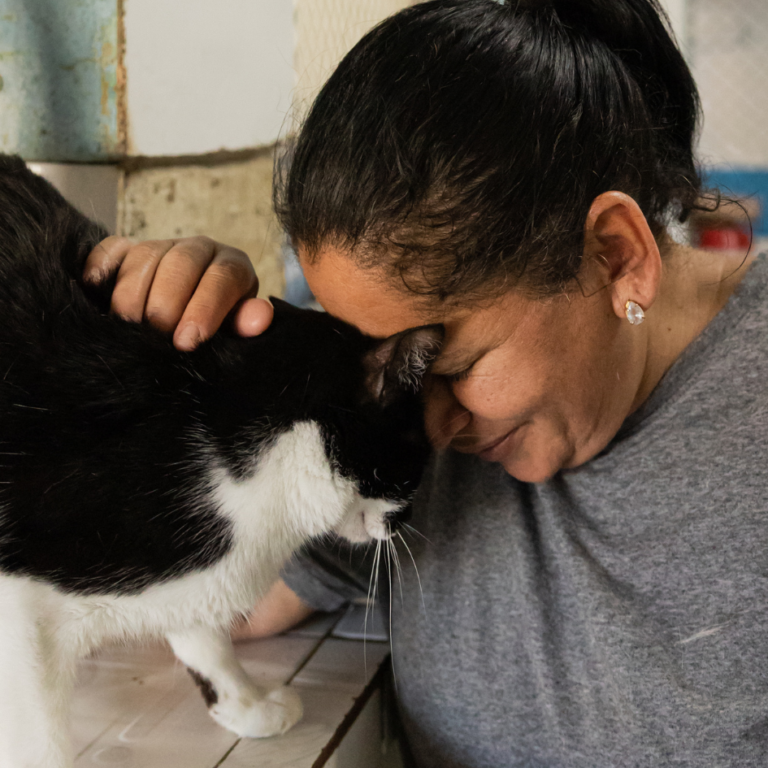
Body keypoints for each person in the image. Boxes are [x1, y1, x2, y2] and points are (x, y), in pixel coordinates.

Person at [85, 0, 768, 764]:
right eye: (382, 375)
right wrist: (184, 377)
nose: (430, 427)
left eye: (451, 367)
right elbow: (199, 602)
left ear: (615, 254)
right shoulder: (399, 448)